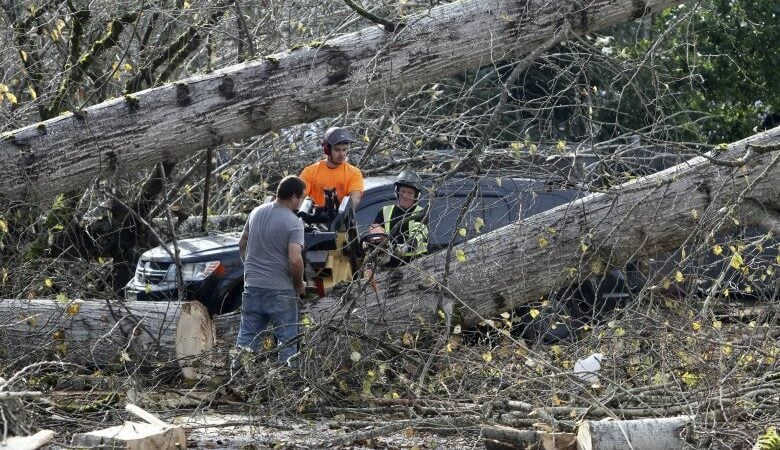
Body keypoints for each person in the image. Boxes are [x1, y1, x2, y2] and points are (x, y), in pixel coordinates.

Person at [235, 175, 306, 366]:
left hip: (252, 286)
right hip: (280, 290)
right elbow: (295, 259)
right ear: (294, 197)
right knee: (287, 341)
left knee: (246, 339)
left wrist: (250, 268)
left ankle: (237, 379)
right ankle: (287, 385)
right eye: (302, 197)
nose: (302, 201)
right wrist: (299, 284)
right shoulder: (294, 222)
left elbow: (242, 243)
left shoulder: (256, 212)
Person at [367, 170, 428, 268]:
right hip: (388, 269)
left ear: (416, 196)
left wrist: (405, 247)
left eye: (410, 193)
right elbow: (375, 234)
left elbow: (418, 233)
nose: (405, 196)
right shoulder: (384, 211)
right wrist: (380, 246)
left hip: (416, 266)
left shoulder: (421, 212)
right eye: (403, 191)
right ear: (397, 192)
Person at [299, 127, 364, 209]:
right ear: (327, 150)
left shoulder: (354, 173)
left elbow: (355, 198)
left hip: (341, 219)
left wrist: (342, 214)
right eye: (337, 150)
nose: (342, 154)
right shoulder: (310, 172)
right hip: (313, 219)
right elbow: (300, 197)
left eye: (344, 150)